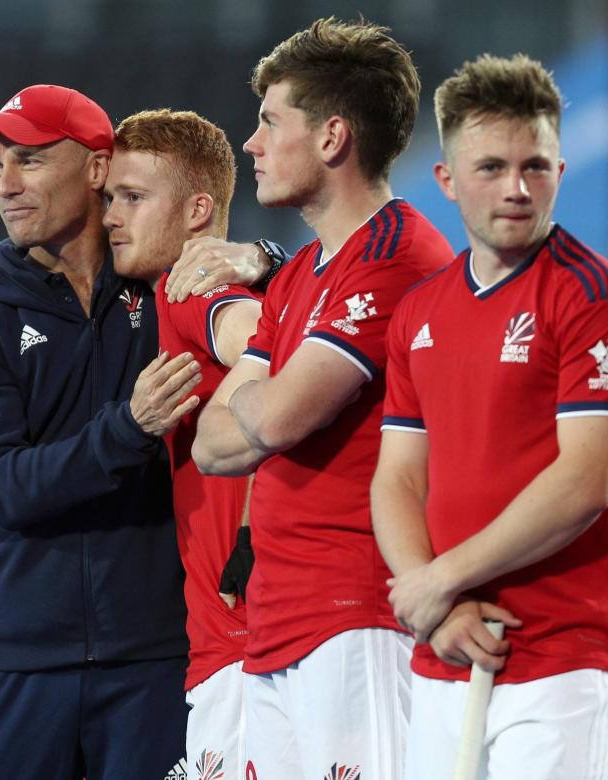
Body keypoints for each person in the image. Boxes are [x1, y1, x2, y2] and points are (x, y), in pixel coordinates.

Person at [0, 83, 271, 780]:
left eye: (27, 160)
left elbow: (290, 324)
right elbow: (0, 485)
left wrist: (264, 255)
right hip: (23, 662)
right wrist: (126, 429)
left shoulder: (161, 287)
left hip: (155, 663)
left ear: (94, 170)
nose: (5, 186)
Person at [372, 53, 608, 779]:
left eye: (535, 166)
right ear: (445, 179)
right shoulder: (418, 312)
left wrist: (438, 582)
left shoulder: (597, 297)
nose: (516, 188)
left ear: (561, 170)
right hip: (444, 645)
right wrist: (434, 604)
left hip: (561, 649)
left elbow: (582, 484)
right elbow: (398, 477)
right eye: (491, 167)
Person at [192, 18, 454, 779]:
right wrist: (263, 394)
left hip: (357, 618)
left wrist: (258, 391)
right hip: (280, 622)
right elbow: (214, 447)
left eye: (271, 121)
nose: (252, 142)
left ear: (333, 136)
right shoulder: (305, 269)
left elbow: (269, 418)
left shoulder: (397, 256)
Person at [103, 108, 277, 780]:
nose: (113, 217)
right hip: (230, 644)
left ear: (198, 209)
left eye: (134, 198)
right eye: (110, 198)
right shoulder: (159, 301)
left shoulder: (190, 292)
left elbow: (261, 333)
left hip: (244, 650)